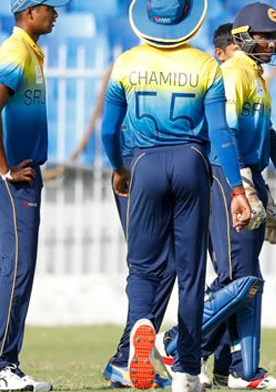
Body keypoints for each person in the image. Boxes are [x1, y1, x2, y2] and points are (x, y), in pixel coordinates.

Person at [101, 0, 251, 392]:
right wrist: (237, 190)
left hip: (144, 163)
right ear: (188, 16)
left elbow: (109, 130)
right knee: (190, 270)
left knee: (142, 264)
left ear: (149, 15)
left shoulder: (126, 63)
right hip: (192, 163)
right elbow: (220, 133)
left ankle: (141, 324)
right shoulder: (205, 65)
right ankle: (186, 368)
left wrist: (118, 167)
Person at [0, 0, 70, 392]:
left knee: (8, 269)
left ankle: (4, 365)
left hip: (20, 174)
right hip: (15, 177)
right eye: (49, 8)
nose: (56, 14)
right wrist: (6, 169)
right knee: (16, 270)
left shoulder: (28, 50)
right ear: (29, 12)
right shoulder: (16, 51)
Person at [205, 2, 276, 390]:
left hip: (249, 175)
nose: (272, 43)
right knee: (242, 278)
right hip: (231, 176)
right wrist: (237, 187)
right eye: (266, 36)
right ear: (243, 37)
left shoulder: (255, 76)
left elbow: (269, 134)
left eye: (275, 37)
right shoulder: (233, 73)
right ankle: (184, 346)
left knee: (240, 277)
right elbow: (224, 134)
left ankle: (228, 368)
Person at [101, 123, 175, 388]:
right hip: (135, 159)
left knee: (170, 264)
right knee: (146, 264)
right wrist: (119, 164)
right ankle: (125, 360)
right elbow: (111, 122)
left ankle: (128, 357)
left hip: (162, 157)